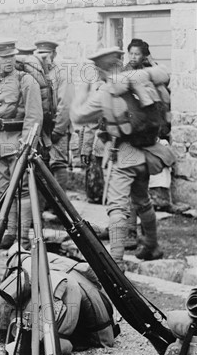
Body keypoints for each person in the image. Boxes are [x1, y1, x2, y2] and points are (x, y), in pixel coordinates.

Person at [71, 46, 175, 266]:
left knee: (117, 207)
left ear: (100, 68)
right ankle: (151, 246)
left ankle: (116, 262)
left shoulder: (106, 91)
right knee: (142, 200)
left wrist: (84, 86)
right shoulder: (141, 79)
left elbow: (78, 116)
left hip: (125, 153)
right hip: (148, 152)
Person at [0, 40, 43, 249]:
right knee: (5, 189)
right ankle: (11, 231)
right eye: (3, 57)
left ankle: (22, 239)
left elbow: (34, 117)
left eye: (11, 57)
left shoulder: (26, 81)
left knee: (22, 190)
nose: (8, 61)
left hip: (18, 144)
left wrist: (27, 144)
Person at [34, 40, 75, 193]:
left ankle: (60, 207)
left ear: (54, 54)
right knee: (40, 165)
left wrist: (58, 130)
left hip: (56, 128)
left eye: (47, 54)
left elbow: (66, 104)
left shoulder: (63, 75)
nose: (44, 58)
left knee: (58, 164)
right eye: (40, 55)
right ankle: (42, 205)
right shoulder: (34, 74)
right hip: (40, 130)